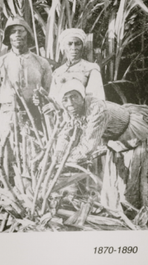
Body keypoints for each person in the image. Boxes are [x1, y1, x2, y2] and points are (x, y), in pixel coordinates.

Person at [54, 80, 148, 209]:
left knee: (134, 179)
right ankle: (119, 210)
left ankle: (138, 215)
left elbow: (88, 146)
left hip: (133, 135)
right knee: (116, 183)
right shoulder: (70, 111)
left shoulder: (97, 109)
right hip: (115, 141)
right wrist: (58, 153)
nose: (70, 103)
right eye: (65, 99)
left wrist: (66, 160)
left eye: (74, 97)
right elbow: (65, 132)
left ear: (82, 97)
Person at [0, 16, 52, 156]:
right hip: (7, 118)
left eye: (21, 31)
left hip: (34, 118)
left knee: (33, 160)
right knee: (7, 161)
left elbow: (49, 94)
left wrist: (41, 101)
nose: (17, 35)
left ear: (27, 34)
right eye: (13, 31)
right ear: (8, 37)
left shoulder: (41, 63)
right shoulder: (0, 63)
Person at [48, 28, 105, 103]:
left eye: (78, 44)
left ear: (83, 46)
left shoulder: (91, 68)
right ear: (64, 47)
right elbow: (52, 98)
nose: (74, 48)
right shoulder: (58, 72)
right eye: (70, 44)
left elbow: (96, 98)